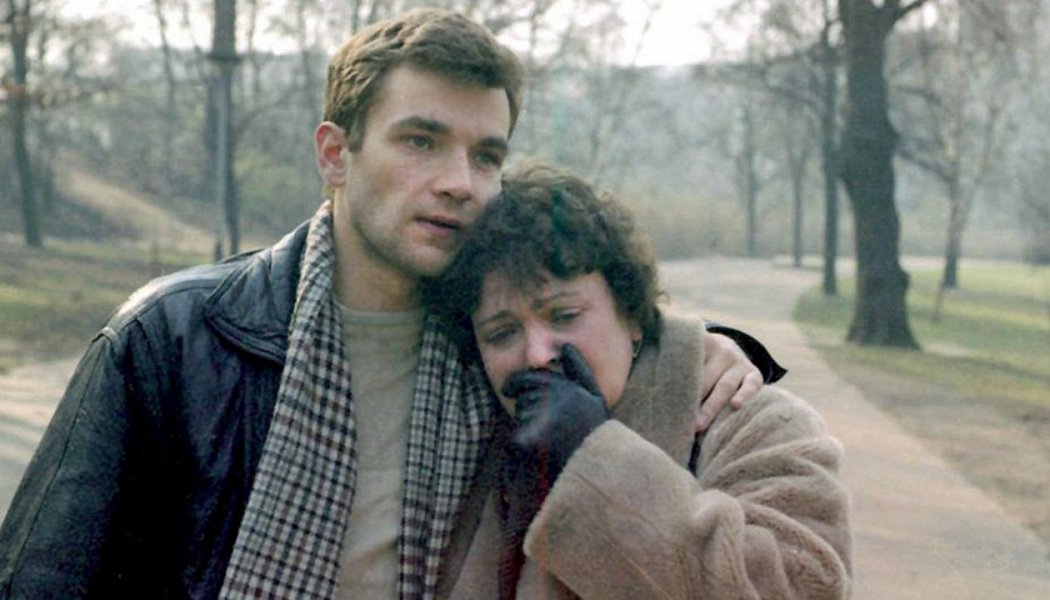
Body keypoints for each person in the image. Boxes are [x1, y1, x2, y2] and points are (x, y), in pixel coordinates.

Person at [0, 9, 781, 600]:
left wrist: (699, 347)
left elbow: (591, 323)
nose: (459, 182)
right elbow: (43, 575)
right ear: (335, 154)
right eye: (421, 141)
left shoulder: (490, 346)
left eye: (486, 155)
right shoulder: (176, 338)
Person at [427, 164, 852, 599]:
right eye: (502, 333)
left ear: (631, 314)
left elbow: (803, 587)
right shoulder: (471, 437)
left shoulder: (762, 426)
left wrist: (597, 462)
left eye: (564, 315)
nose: (537, 355)